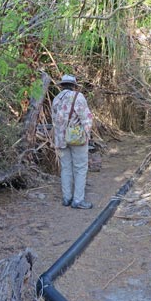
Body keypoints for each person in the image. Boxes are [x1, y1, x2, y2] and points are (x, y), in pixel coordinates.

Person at [51, 74, 93, 209]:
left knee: (66, 168)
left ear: (62, 85)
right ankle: (78, 200)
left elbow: (54, 121)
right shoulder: (78, 97)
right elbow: (86, 119)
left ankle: (66, 198)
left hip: (60, 139)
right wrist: (87, 135)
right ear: (74, 85)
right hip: (77, 138)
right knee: (80, 168)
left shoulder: (56, 99)